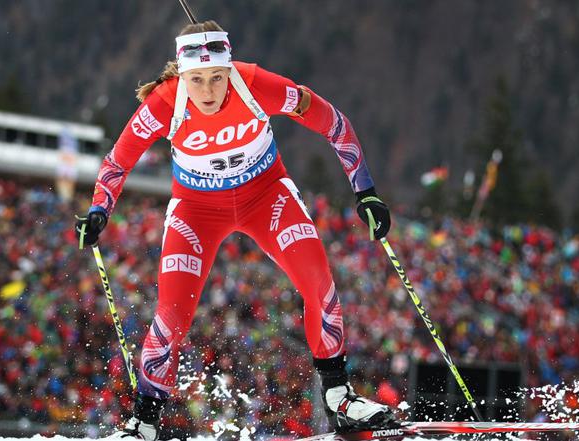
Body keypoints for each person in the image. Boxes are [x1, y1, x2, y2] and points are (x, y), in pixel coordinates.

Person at [75, 20, 396, 440]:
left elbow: (334, 123)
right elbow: (118, 162)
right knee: (171, 315)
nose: (207, 91)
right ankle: (144, 423)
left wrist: (366, 192)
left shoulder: (256, 84)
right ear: (180, 74)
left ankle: (339, 398)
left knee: (319, 283)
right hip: (196, 209)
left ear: (229, 70)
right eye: (196, 80)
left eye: (215, 78)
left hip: (266, 196)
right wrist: (99, 210)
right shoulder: (163, 103)